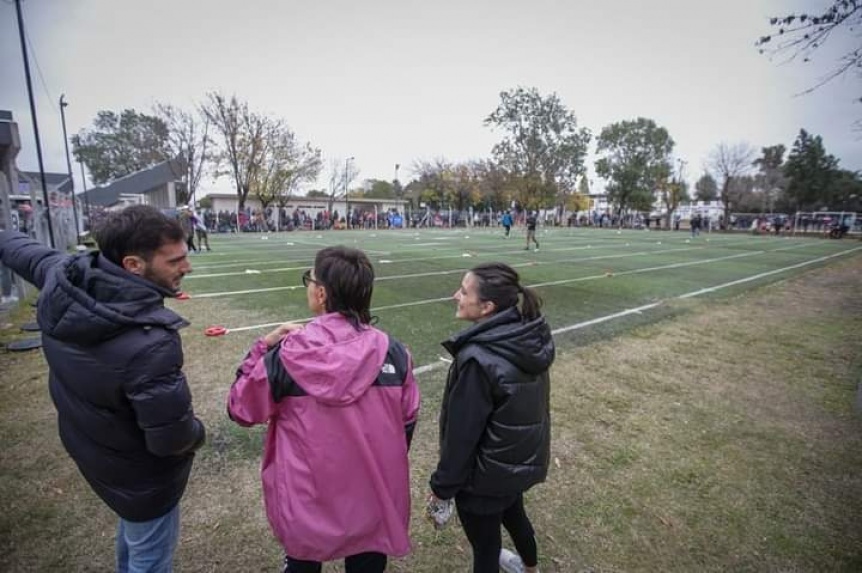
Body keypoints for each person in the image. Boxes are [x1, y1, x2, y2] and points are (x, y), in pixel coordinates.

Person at [0, 205, 206, 572]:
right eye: (175, 261)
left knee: (135, 537)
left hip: (95, 451)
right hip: (139, 477)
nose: (186, 268)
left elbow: (19, 249)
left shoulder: (61, 276)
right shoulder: (150, 343)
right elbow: (172, 438)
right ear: (132, 265)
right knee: (149, 557)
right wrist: (198, 433)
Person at [228, 246, 420, 573]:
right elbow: (406, 424)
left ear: (321, 293)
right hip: (371, 496)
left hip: (307, 500)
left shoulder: (284, 357)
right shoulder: (396, 354)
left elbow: (240, 408)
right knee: (367, 561)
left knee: (304, 563)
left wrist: (261, 348)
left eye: (309, 280)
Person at [429, 262, 555, 573]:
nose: (455, 295)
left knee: (486, 550)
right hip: (512, 466)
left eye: (464, 291)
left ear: (487, 306)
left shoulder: (477, 359)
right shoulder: (527, 335)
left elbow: (462, 436)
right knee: (516, 517)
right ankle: (530, 567)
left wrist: (441, 488)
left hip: (484, 479)